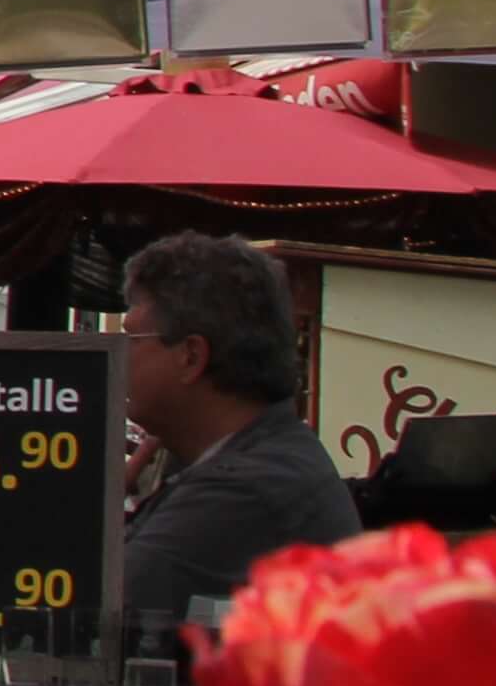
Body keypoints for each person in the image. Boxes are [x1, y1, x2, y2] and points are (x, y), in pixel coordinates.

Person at [115, 231, 363, 623]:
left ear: (191, 356)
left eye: (132, 339)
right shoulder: (262, 455)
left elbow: (95, 613)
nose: (119, 359)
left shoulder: (246, 488)